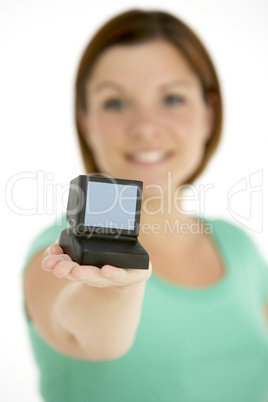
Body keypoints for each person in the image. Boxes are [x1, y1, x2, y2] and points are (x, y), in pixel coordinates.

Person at [23, 9, 268, 402]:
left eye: (172, 98)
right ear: (86, 121)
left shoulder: (239, 247)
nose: (145, 125)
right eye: (116, 103)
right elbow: (93, 340)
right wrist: (114, 288)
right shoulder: (57, 253)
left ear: (209, 114)